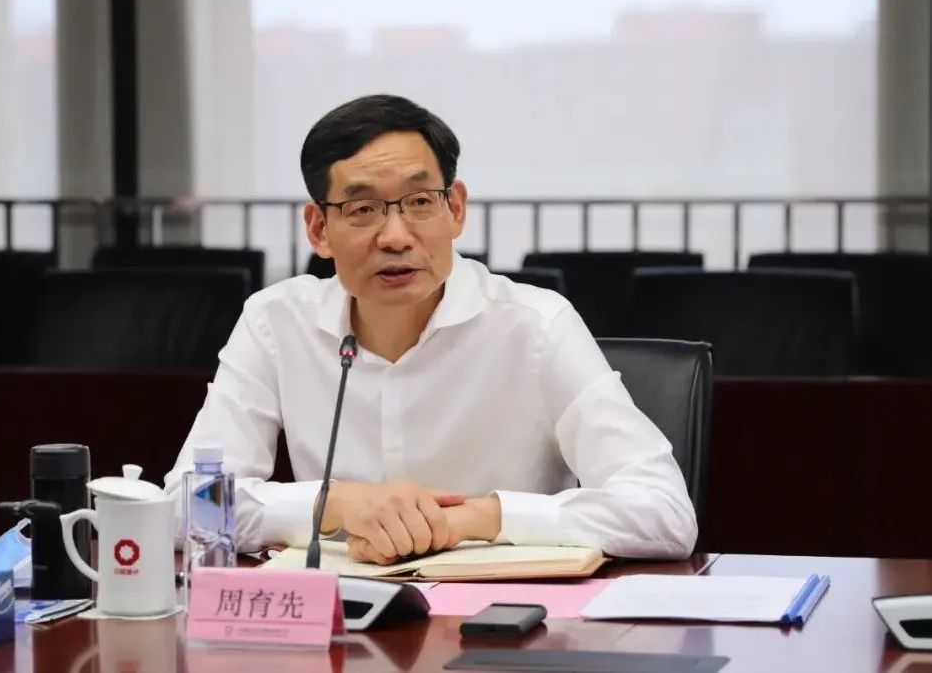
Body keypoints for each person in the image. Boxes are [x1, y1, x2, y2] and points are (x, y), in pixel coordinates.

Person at [164, 94, 697, 564]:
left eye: (420, 202)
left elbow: (665, 512)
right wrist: (334, 503)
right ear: (320, 229)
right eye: (363, 208)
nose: (396, 236)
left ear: (455, 209)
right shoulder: (275, 323)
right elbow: (184, 508)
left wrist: (474, 518)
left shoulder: (536, 326)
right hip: (344, 619)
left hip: (506, 619)